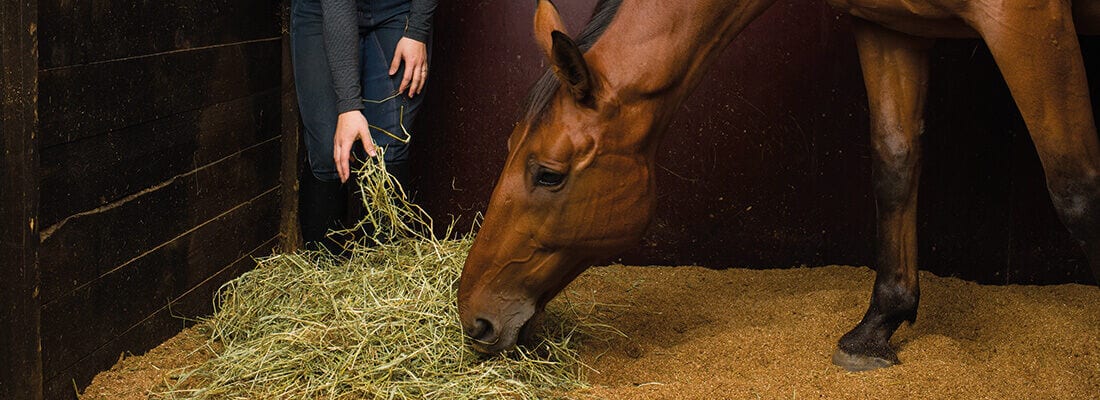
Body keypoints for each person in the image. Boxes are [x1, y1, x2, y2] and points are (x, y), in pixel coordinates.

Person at [290, 0, 436, 251]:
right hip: (322, 11)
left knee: (387, 147)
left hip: (398, 10)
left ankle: (382, 274)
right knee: (329, 150)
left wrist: (417, 30)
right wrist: (348, 106)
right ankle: (323, 275)